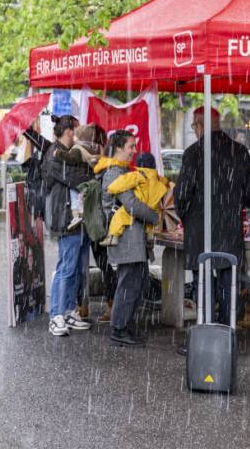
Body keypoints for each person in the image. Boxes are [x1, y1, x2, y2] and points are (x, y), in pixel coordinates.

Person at [174, 106, 250, 353]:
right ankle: (227, 336)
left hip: (201, 230)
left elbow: (181, 195)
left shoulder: (194, 153)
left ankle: (206, 337)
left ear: (199, 125)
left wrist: (187, 217)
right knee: (229, 284)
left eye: (193, 126)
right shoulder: (239, 152)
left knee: (203, 285)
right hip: (229, 229)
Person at [98, 131, 159, 347]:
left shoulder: (121, 170)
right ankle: (119, 329)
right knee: (128, 283)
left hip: (132, 237)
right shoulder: (114, 172)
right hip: (126, 238)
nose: (134, 151)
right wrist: (155, 216)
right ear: (118, 148)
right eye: (131, 146)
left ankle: (126, 326)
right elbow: (131, 204)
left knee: (137, 281)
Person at [41, 114, 94, 337]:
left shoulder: (69, 154)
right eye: (75, 129)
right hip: (66, 219)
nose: (77, 134)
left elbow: (85, 174)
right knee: (66, 267)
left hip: (80, 218)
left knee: (77, 269)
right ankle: (56, 315)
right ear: (69, 131)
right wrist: (86, 171)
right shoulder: (53, 155)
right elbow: (77, 178)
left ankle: (69, 310)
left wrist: (86, 171)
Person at [102, 152, 171, 246]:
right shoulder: (158, 178)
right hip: (153, 205)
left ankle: (113, 236)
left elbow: (123, 182)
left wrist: (111, 189)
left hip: (141, 202)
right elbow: (167, 184)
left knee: (119, 216)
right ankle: (150, 236)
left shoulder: (138, 175)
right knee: (149, 224)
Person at [55, 124, 104, 231]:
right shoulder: (95, 148)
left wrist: (59, 153)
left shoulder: (78, 148)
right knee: (84, 196)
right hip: (91, 177)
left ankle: (76, 215)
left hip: (79, 177)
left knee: (74, 194)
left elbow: (71, 159)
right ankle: (85, 214)